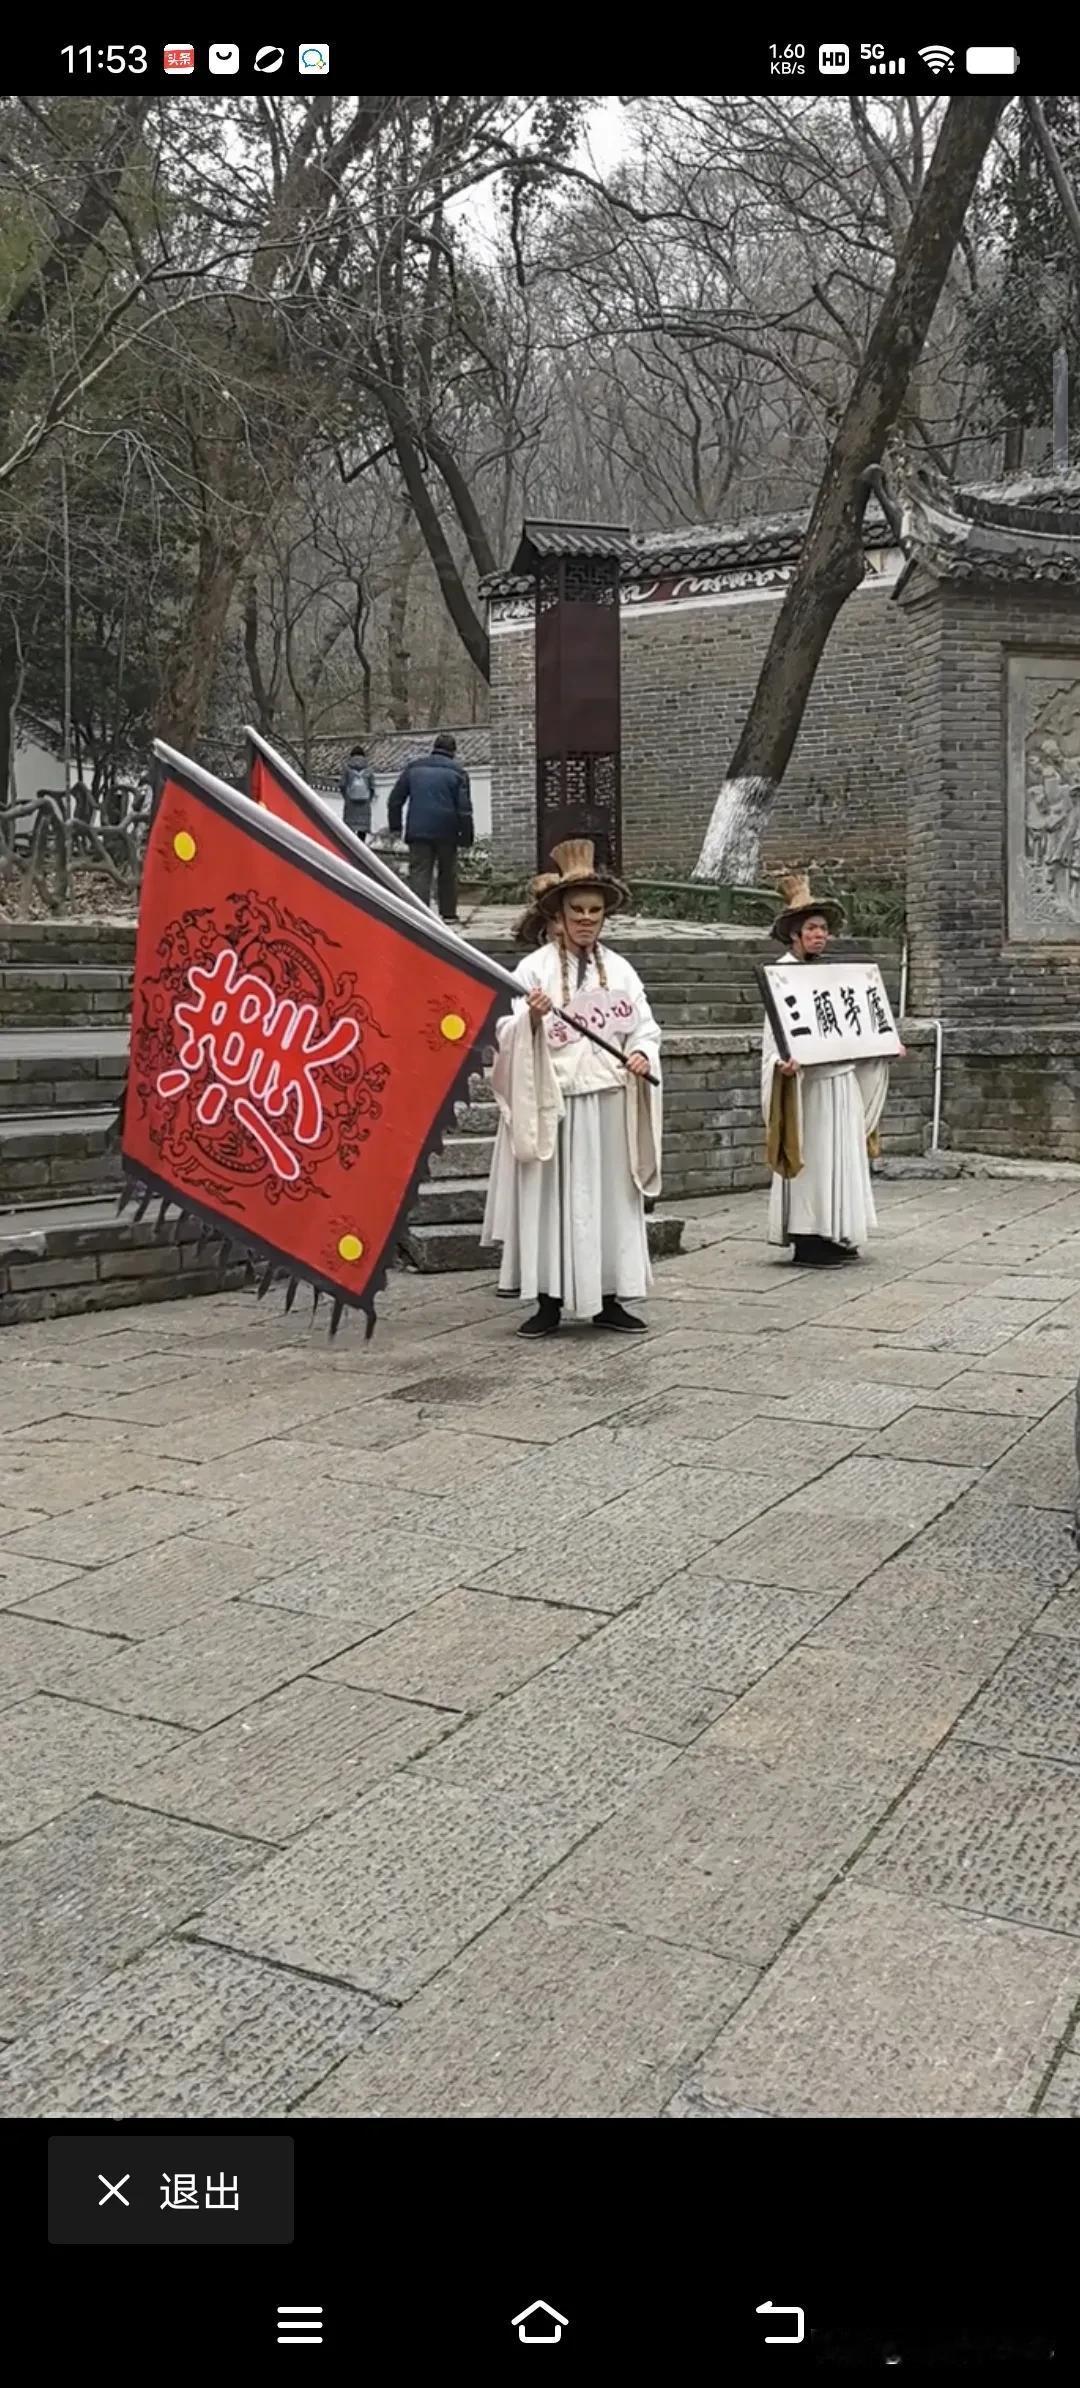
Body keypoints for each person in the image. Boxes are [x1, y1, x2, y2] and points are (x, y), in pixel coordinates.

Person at [481, 838, 662, 1335]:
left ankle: (608, 1296)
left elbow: (643, 1025)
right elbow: (505, 1031)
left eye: (595, 911)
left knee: (608, 1204)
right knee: (550, 1204)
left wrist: (643, 1051)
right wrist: (531, 1023)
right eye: (577, 910)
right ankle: (547, 1301)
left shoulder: (621, 969)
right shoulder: (533, 969)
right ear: (558, 914)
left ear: (605, 917)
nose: (586, 919)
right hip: (552, 1104)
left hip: (607, 1101)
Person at [761, 872, 894, 1268]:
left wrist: (881, 1046)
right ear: (794, 935)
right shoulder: (781, 976)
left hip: (839, 1083)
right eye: (812, 929)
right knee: (812, 1159)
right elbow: (775, 1038)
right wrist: (781, 1067)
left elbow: (854, 1027)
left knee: (839, 1158)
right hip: (807, 1088)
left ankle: (833, 1231)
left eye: (823, 929)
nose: (820, 936)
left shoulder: (832, 977)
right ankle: (806, 1238)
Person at [386, 733, 473, 924]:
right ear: (453, 751)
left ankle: (419, 913)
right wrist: (466, 837)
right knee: (447, 871)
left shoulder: (413, 769)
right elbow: (464, 809)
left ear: (434, 747)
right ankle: (448, 914)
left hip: (418, 830)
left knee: (419, 871)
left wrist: (395, 827)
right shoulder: (458, 773)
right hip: (447, 831)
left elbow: (395, 800)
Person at [339, 743, 375, 841]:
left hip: (350, 805)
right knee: (362, 830)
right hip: (364, 805)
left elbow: (342, 785)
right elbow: (372, 787)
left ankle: (351, 850)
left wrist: (346, 796)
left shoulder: (347, 769)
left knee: (350, 831)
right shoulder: (369, 770)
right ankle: (361, 848)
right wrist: (368, 798)